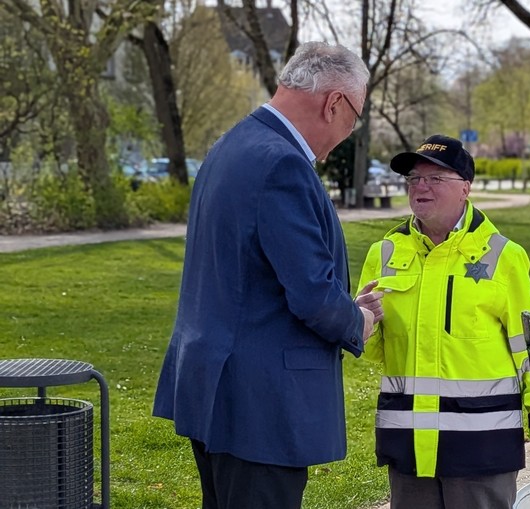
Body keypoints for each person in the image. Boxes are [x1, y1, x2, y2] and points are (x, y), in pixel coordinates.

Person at [153, 41, 383, 509]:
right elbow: (312, 293)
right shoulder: (282, 164)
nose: (347, 133)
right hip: (260, 405)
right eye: (353, 118)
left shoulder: (230, 145)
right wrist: (356, 320)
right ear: (334, 103)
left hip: (215, 386)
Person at [357, 134, 530, 509]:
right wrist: (360, 320)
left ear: (465, 189)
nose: (421, 187)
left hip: (481, 447)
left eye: (436, 179)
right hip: (408, 445)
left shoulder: (502, 256)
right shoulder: (384, 253)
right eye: (414, 179)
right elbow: (372, 350)